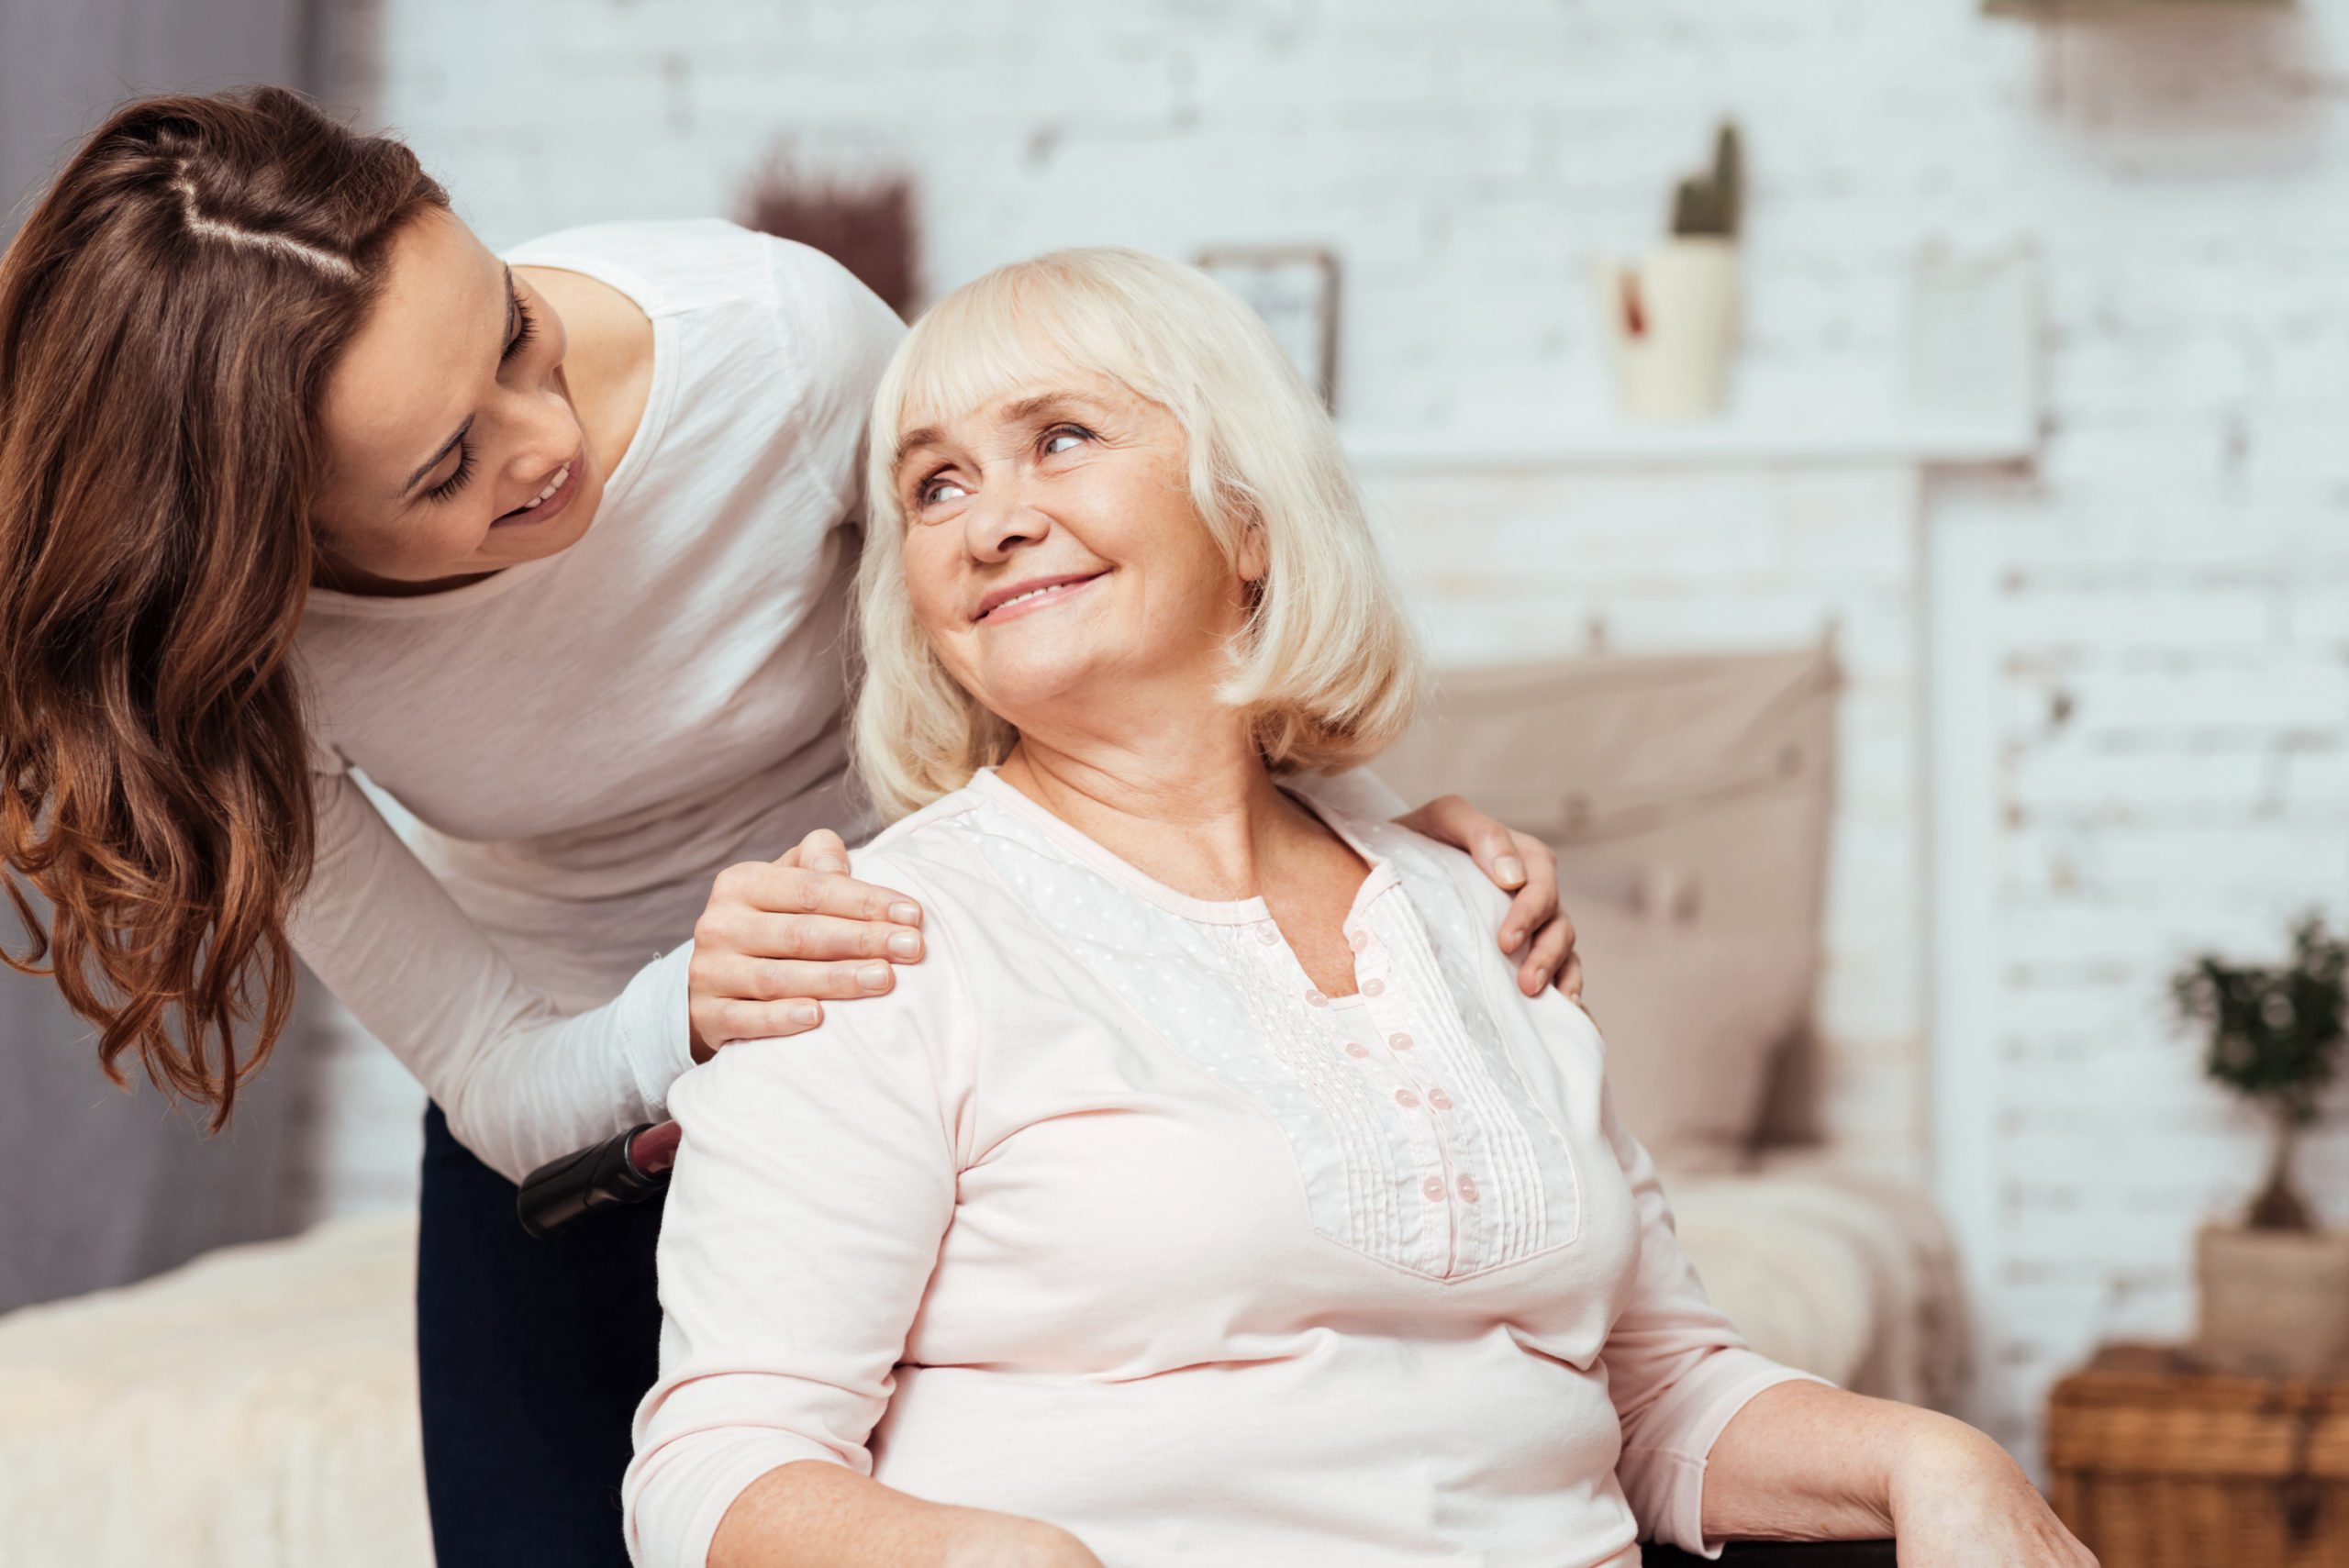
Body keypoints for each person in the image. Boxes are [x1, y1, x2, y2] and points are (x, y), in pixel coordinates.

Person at [0, 90, 1582, 1565]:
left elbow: (1054, 637)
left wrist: (1366, 858)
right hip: (579, 1105)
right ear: (273, 545)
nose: (543, 438)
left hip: (916, 1034)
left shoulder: (769, 341)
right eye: (445, 469)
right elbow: (495, 1070)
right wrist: (685, 999)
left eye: (515, 332)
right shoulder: (231, 672)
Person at [624, 249, 2099, 1568]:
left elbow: (1654, 1387)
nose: (989, 521)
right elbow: (716, 1465)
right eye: (934, 483)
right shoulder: (872, 937)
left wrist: (1933, 1454)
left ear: (1248, 520)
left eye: (1059, 439)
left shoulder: (1473, 911)